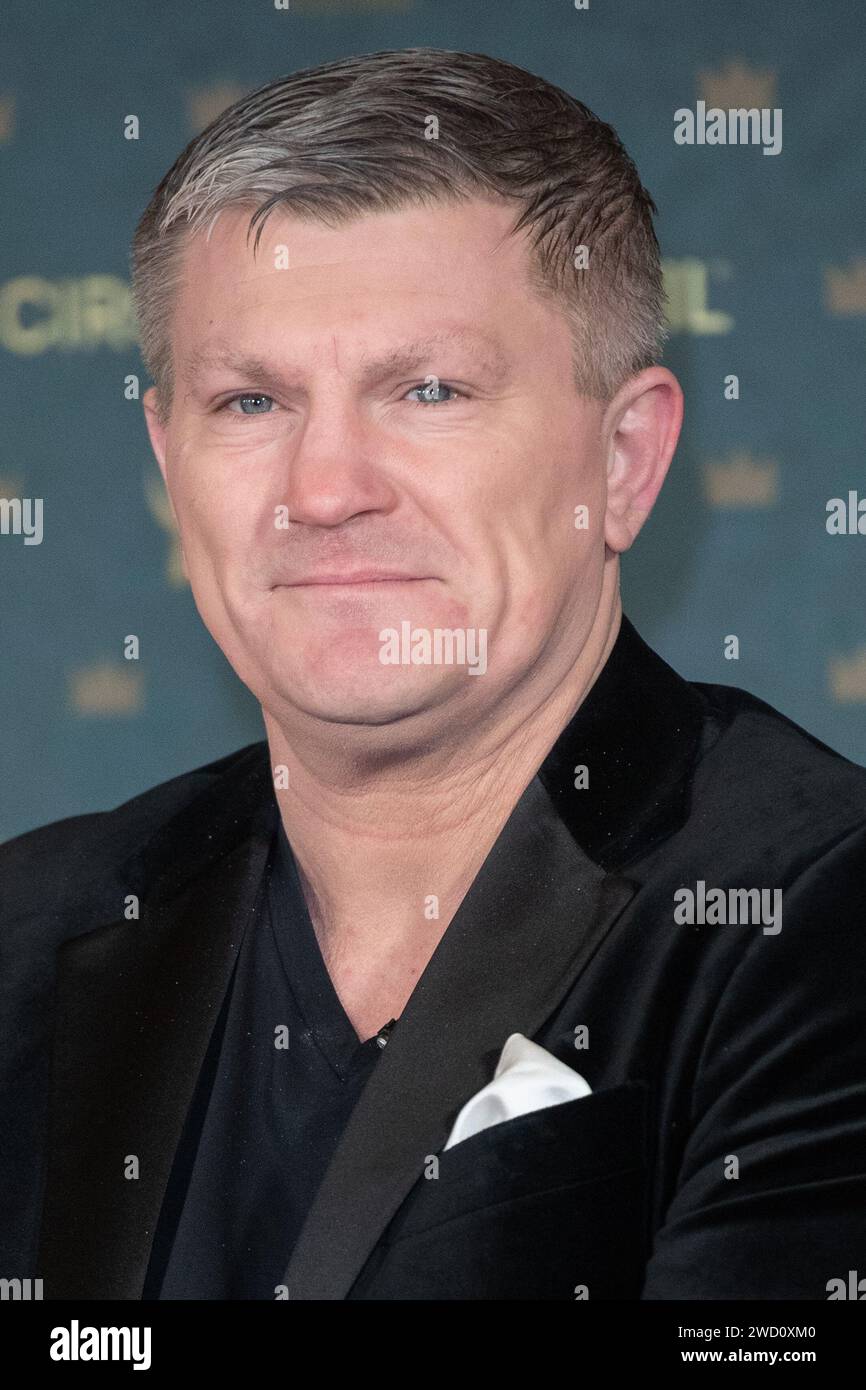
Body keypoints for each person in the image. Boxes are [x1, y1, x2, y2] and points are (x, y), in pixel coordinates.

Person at [2, 47, 865, 1301]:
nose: (324, 489)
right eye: (250, 402)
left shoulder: (815, 914)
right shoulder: (32, 928)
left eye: (428, 389)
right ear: (165, 455)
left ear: (622, 462)